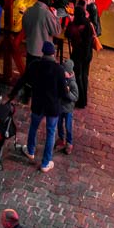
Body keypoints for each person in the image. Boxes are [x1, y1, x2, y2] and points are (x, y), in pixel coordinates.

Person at [17, 41, 65, 172]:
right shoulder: (59, 70)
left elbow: (24, 80)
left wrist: (15, 93)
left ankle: (31, 150)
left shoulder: (35, 65)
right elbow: (63, 91)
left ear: (42, 53)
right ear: (53, 54)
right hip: (52, 107)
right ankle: (45, 162)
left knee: (33, 127)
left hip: (38, 104)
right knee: (51, 133)